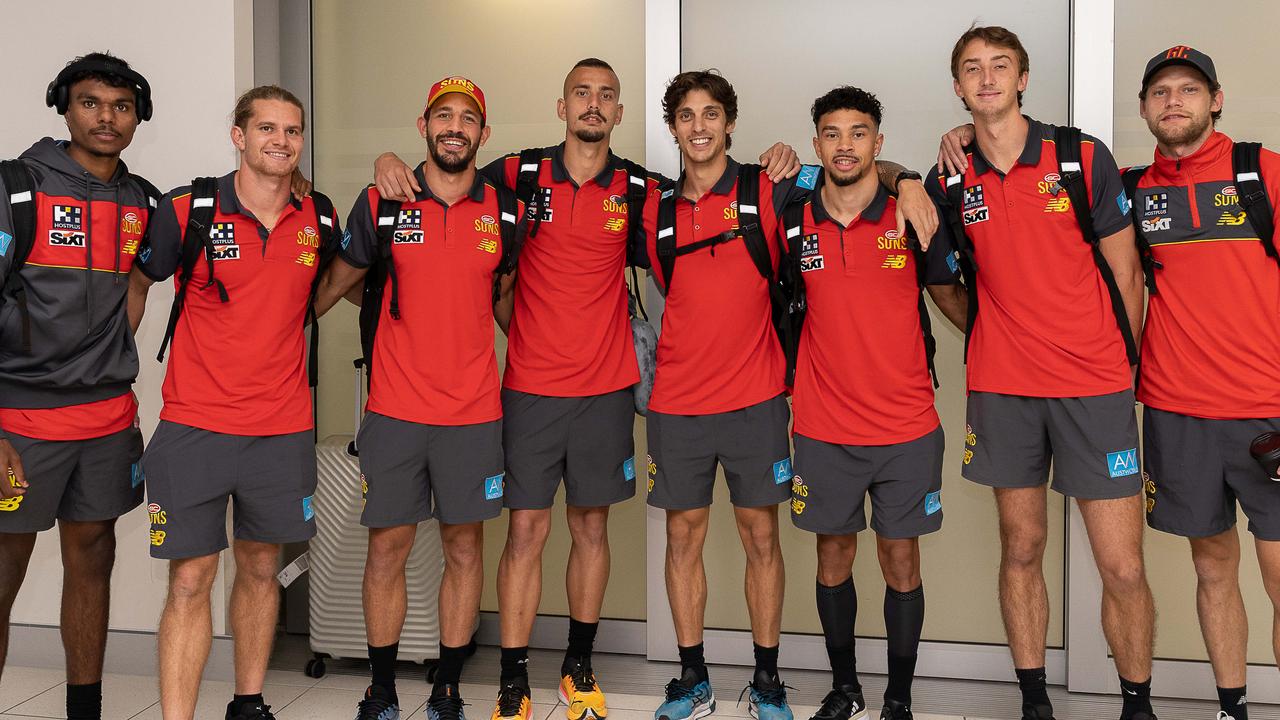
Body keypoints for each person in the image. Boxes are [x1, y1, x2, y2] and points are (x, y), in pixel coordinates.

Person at [370, 60, 803, 720]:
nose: (593, 106)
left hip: (606, 391)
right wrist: (386, 162)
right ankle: (513, 680)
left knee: (590, 530)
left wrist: (785, 160)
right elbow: (445, 178)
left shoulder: (639, 189)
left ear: (621, 114)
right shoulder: (517, 176)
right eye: (582, 94)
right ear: (562, 106)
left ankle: (578, 667)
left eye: (606, 96)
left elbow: (733, 197)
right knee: (525, 533)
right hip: (528, 393)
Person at [642, 70, 937, 720]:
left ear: (729, 122)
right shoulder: (654, 207)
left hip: (759, 398)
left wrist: (909, 176)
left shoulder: (771, 190)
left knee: (766, 542)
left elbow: (857, 170)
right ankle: (693, 678)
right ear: (673, 127)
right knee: (684, 539)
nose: (698, 126)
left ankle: (773, 682)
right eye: (686, 116)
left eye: (711, 114)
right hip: (680, 405)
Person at [927, 25, 1156, 720]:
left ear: (1023, 78)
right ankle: (1034, 704)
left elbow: (1127, 272)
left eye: (1000, 66)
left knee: (1122, 565)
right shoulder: (948, 176)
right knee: (1021, 548)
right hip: (1004, 389)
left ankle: (1137, 706)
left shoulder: (1081, 156)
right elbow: (941, 281)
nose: (987, 78)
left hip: (1094, 386)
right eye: (972, 69)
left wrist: (1121, 369)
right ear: (959, 86)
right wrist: (996, 330)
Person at [128, 85, 341, 720]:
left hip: (281, 430)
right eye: (268, 128)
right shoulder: (189, 209)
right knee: (190, 581)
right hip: (196, 426)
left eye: (293, 131)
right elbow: (139, 281)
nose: (281, 140)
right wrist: (110, 372)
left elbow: (327, 284)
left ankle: (248, 704)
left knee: (259, 570)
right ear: (238, 135)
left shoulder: (319, 216)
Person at [313, 75, 519, 720]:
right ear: (423, 126)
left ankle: (448, 686)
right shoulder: (382, 201)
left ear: (484, 134)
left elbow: (507, 300)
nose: (454, 126)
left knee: (464, 551)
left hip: (474, 415)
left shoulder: (506, 211)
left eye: (467, 118)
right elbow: (328, 289)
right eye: (443, 116)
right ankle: (381, 689)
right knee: (387, 551)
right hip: (396, 413)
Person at [783, 86, 966, 720]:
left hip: (907, 426)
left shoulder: (910, 216)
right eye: (831, 133)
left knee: (900, 558)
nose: (845, 145)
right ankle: (845, 689)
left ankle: (897, 698)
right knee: (833, 555)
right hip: (822, 423)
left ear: (878, 143)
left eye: (859, 133)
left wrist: (909, 180)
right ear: (816, 144)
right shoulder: (792, 213)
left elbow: (951, 294)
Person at [0, 52, 156, 720]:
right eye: (91, 103)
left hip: (105, 420)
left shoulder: (143, 201)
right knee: (4, 573)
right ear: (65, 106)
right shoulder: (19, 189)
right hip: (21, 425)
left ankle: (83, 713)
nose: (106, 118)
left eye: (121, 106)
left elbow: (140, 282)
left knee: (92, 559)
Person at [1127, 45, 1279, 720]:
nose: (1175, 102)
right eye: (1161, 92)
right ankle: (1231, 708)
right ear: (1145, 108)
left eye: (1190, 89)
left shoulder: (1262, 173)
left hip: (1267, 414)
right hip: (1176, 413)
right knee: (1213, 568)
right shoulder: (1131, 190)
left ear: (1215, 100)